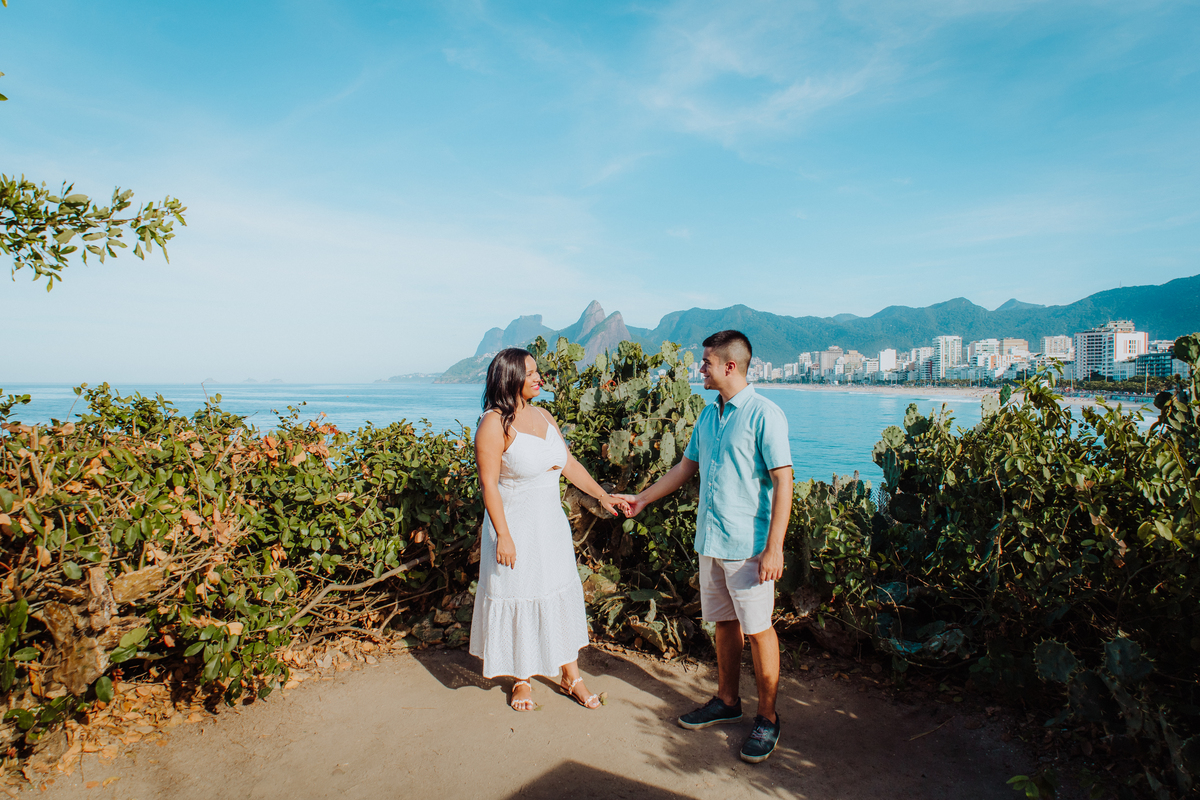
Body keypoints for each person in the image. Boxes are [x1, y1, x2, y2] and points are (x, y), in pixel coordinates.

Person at [616, 330, 793, 764]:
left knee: (758, 630)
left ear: (729, 367)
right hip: (711, 541)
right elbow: (684, 468)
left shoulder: (764, 415)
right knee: (725, 625)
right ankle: (727, 702)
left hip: (748, 547)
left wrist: (775, 547)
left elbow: (783, 480)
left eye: (706, 363)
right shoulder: (708, 416)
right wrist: (642, 499)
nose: (701, 369)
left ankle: (767, 719)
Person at [469, 347, 627, 711]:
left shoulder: (544, 415)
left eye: (537, 370)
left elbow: (567, 462)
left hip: (549, 525)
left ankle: (571, 674)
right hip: (514, 525)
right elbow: (489, 485)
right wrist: (503, 535)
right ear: (509, 378)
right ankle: (521, 677)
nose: (539, 377)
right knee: (521, 593)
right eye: (530, 372)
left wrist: (603, 496)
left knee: (555, 593)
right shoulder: (493, 424)